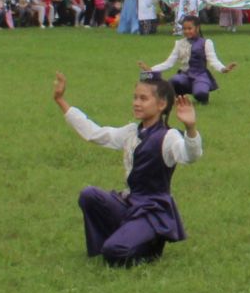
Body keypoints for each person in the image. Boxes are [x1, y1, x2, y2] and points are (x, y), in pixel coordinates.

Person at [54, 70, 202, 266]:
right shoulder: (132, 132)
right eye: (135, 98)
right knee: (89, 195)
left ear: (161, 104)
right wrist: (61, 101)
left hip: (151, 212)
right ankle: (122, 237)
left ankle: (148, 244)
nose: (136, 103)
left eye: (143, 98)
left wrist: (191, 129)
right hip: (131, 204)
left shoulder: (169, 136)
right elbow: (96, 133)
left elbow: (190, 156)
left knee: (114, 252)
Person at [142, 15, 235, 105]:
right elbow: (169, 63)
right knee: (173, 81)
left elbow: (213, 60)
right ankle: (179, 96)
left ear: (197, 28)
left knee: (200, 94)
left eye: (189, 29)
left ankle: (202, 95)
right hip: (185, 76)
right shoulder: (179, 43)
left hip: (200, 76)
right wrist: (151, 69)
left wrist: (223, 69)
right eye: (184, 29)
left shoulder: (206, 43)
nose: (186, 31)